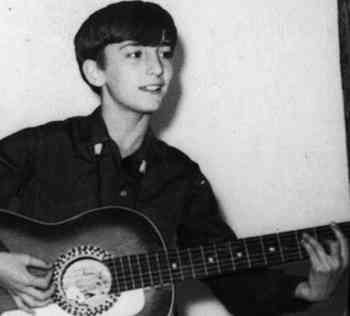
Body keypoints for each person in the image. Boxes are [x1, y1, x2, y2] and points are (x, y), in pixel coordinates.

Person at [0, 1, 348, 315]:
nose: (157, 69)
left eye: (165, 53)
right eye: (135, 54)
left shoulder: (180, 176)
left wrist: (306, 290)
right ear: (95, 71)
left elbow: (233, 275)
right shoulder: (42, 147)